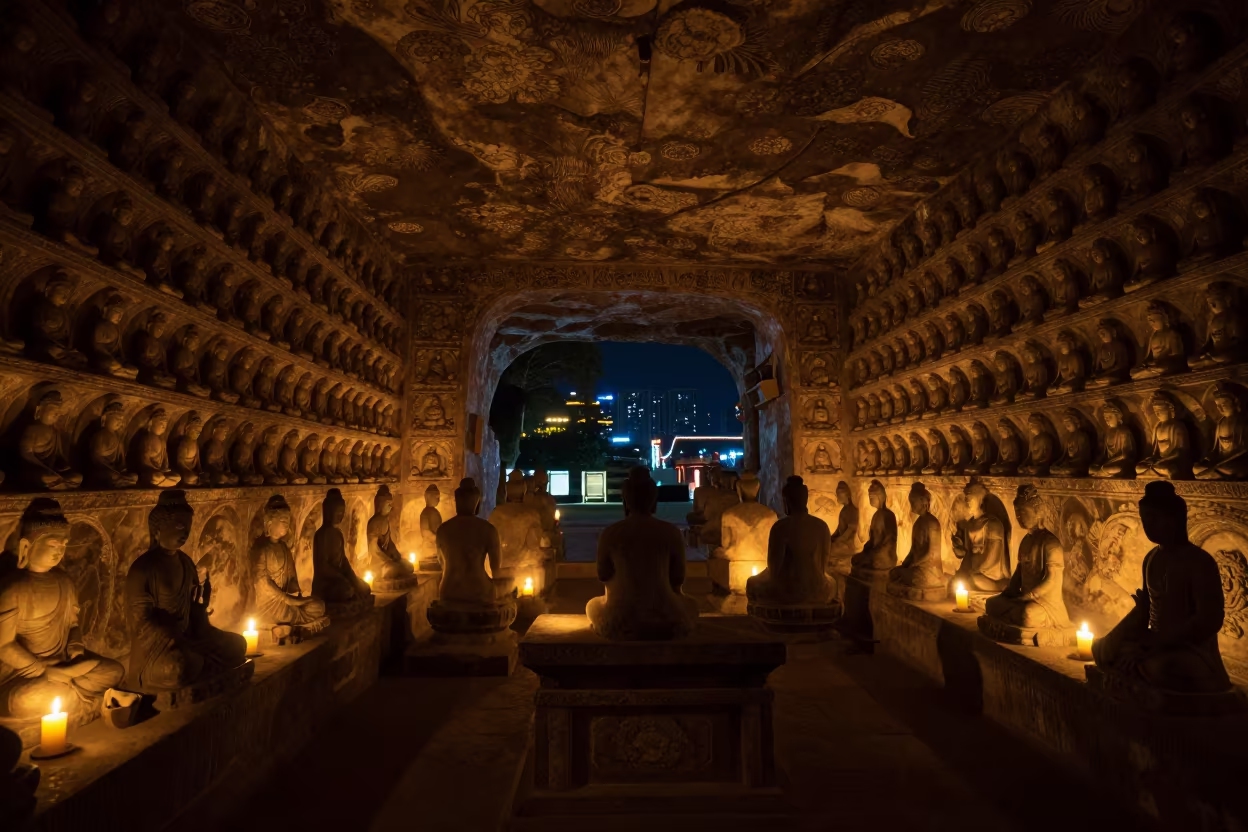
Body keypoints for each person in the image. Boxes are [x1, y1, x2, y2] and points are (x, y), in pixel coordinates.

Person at [586, 468, 698, 640]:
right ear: (653, 500)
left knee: (592, 605)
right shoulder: (671, 532)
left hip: (620, 618)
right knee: (692, 605)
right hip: (665, 616)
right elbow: (677, 579)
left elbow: (603, 574)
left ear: (625, 500)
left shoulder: (610, 533)